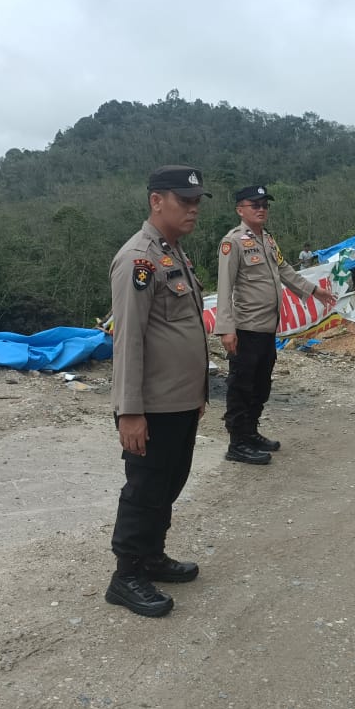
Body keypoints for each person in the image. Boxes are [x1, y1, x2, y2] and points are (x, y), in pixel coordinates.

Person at [105, 165, 211, 618]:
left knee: (170, 481)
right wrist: (130, 411)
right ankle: (126, 574)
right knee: (145, 488)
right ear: (156, 201)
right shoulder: (139, 260)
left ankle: (152, 555)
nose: (193, 210)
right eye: (183, 201)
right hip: (151, 403)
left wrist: (200, 392)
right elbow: (127, 338)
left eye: (196, 203)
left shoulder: (173, 253)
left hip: (180, 399)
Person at [215, 184, 336, 464]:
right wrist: (226, 328)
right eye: (254, 205)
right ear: (240, 210)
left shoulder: (267, 239)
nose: (260, 209)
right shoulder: (232, 242)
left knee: (261, 385)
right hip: (245, 327)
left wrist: (313, 290)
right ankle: (237, 443)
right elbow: (224, 287)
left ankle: (251, 432)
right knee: (241, 386)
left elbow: (283, 269)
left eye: (264, 205)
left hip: (268, 327)